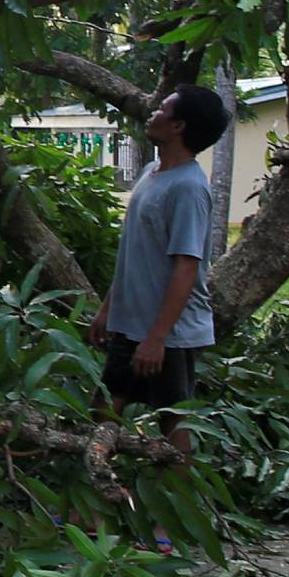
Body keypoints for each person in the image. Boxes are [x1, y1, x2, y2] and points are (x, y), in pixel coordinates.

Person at [87, 83, 231, 463]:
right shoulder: (152, 172)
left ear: (178, 126)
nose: (153, 112)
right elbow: (136, 254)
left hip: (169, 334)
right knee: (102, 410)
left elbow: (187, 268)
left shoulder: (188, 188)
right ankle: (85, 513)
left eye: (162, 109)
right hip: (132, 325)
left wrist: (157, 339)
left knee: (173, 422)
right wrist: (108, 309)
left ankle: (174, 518)